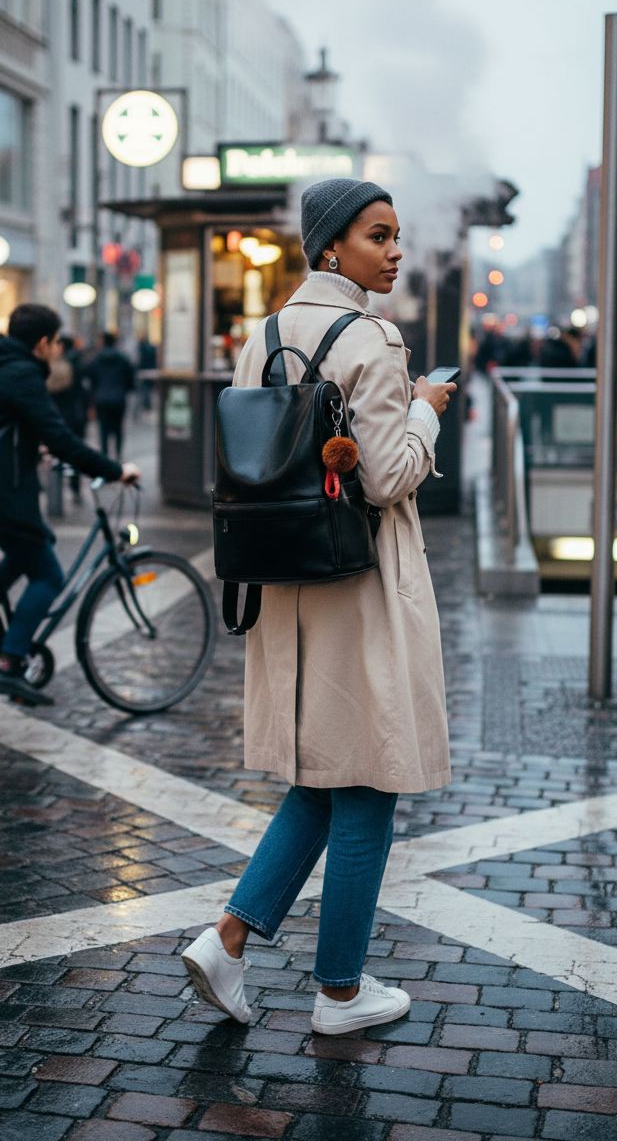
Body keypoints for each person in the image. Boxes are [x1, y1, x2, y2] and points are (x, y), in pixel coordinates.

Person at [182, 178, 453, 1035]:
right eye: (379, 235)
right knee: (371, 780)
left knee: (321, 775)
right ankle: (339, 992)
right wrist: (426, 412)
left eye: (398, 234)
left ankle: (227, 942)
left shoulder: (263, 335)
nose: (396, 251)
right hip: (358, 584)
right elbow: (389, 475)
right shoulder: (372, 338)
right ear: (332, 245)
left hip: (284, 583)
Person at [0, 304, 140, 706]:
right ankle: (9, 662)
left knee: (35, 543)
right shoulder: (22, 374)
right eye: (56, 342)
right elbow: (61, 436)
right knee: (48, 575)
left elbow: (4, 426)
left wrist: (33, 448)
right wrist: (115, 470)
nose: (58, 350)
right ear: (43, 343)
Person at [47, 333, 88, 502]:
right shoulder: (78, 363)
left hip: (57, 415)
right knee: (75, 453)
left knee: (55, 453)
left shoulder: (56, 365)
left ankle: (55, 492)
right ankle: (75, 488)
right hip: (75, 414)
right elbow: (83, 392)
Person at [86, 331, 135, 458]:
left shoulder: (96, 359)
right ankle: (118, 454)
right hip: (119, 398)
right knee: (118, 428)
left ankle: (104, 455)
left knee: (103, 429)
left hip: (101, 398)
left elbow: (91, 379)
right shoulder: (123, 359)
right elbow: (130, 380)